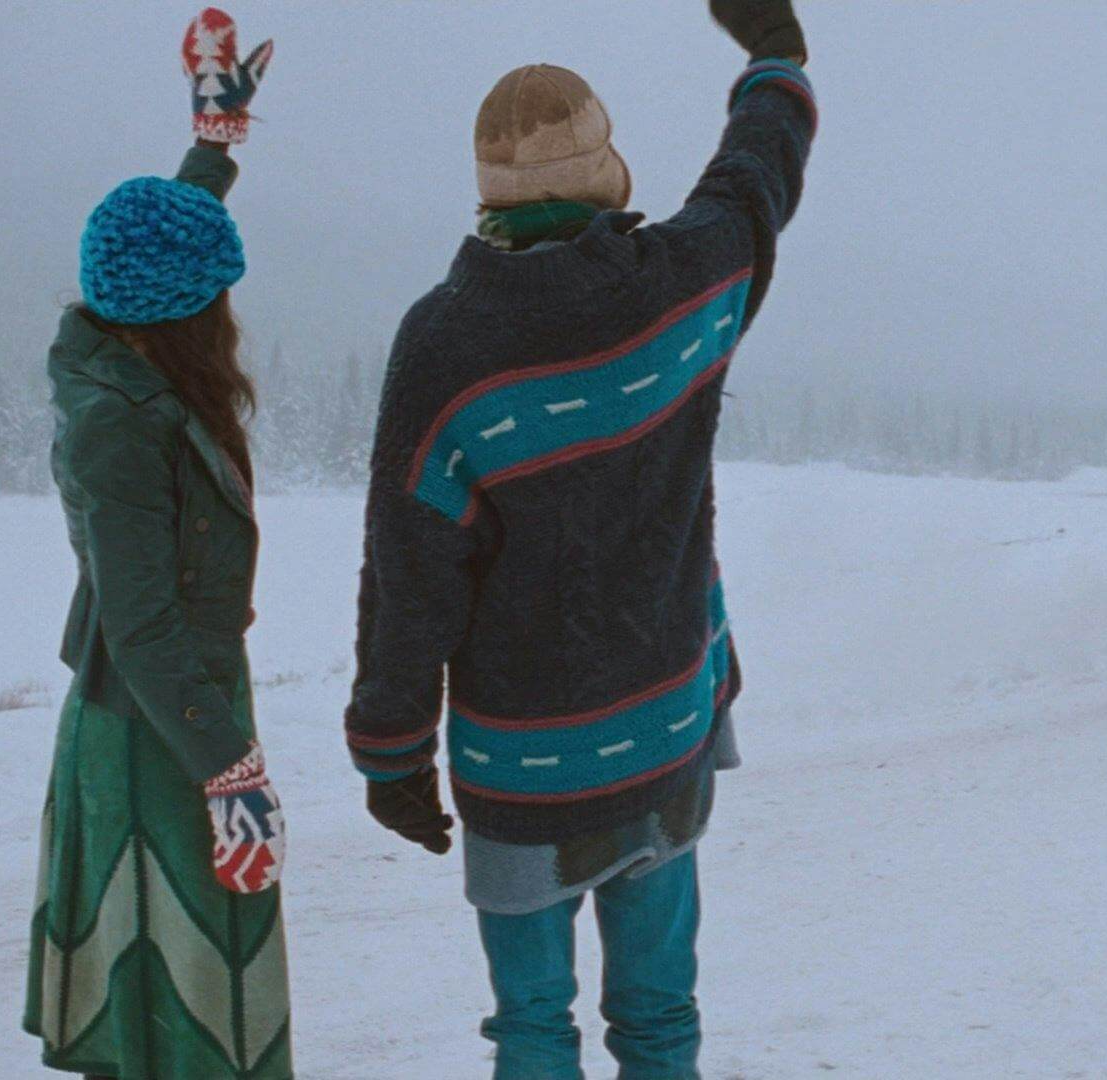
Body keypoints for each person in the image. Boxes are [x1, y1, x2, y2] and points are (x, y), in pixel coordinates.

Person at [342, 2, 815, 1076]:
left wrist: (392, 753)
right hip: (666, 726)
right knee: (657, 1019)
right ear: (602, 172)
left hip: (523, 763)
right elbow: (756, 177)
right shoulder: (683, 283)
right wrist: (775, 59)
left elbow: (410, 577)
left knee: (532, 1028)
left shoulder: (445, 343)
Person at [24, 10, 291, 1079]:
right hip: (151, 729)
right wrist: (227, 770)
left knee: (196, 993)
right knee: (174, 1008)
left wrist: (214, 146)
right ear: (186, 312)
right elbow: (138, 621)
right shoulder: (118, 426)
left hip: (182, 703)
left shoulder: (125, 354)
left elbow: (161, 241)